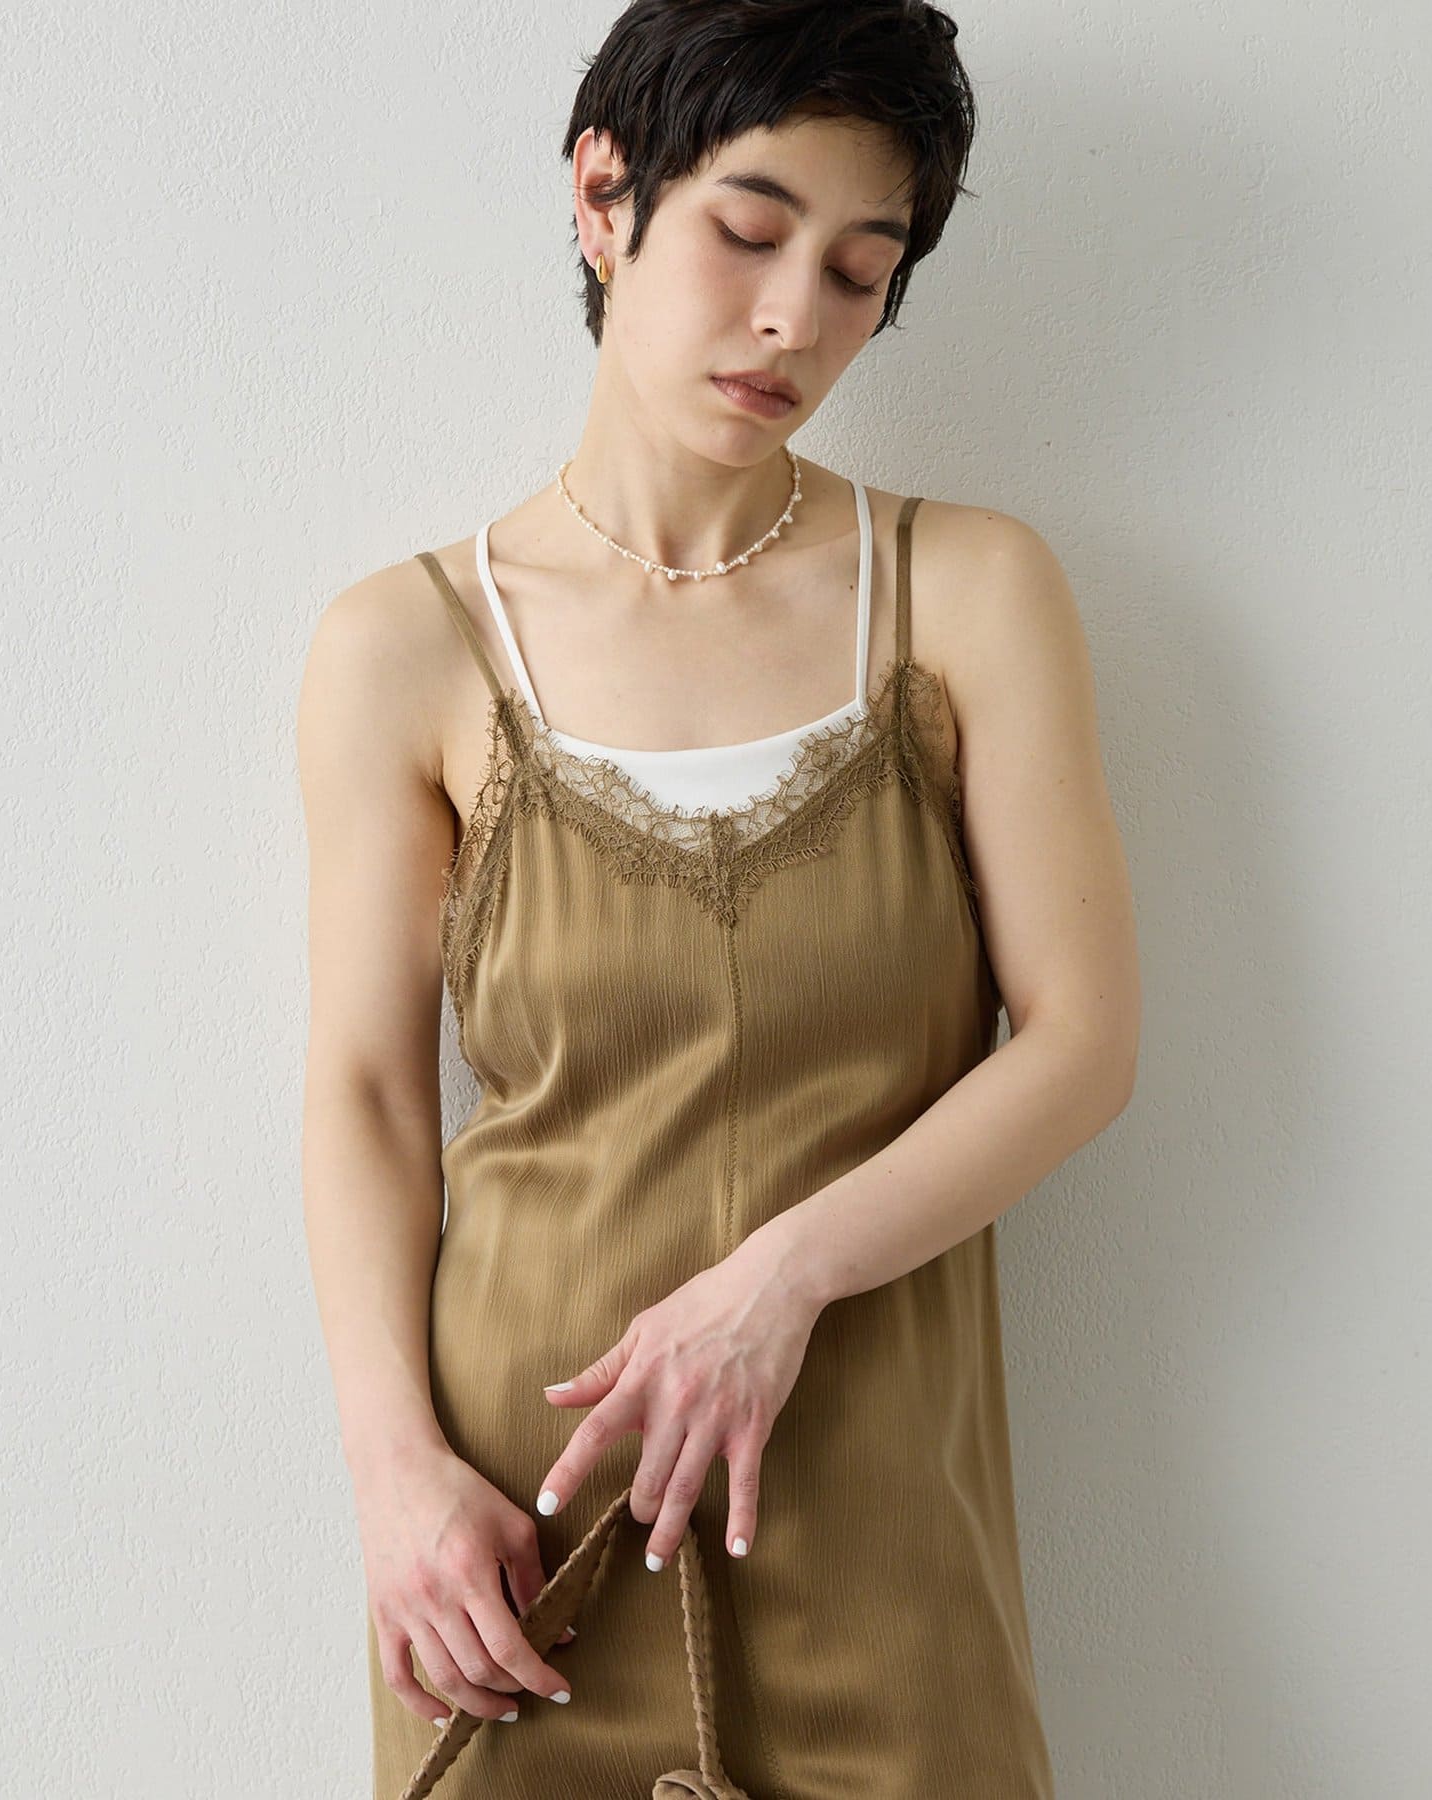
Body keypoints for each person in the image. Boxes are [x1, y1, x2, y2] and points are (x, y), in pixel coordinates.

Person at [296, 2, 1141, 1794]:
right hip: (515, 1552)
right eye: (749, 233)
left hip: (880, 1518)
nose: (792, 322)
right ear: (602, 197)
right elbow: (368, 1091)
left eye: (858, 272)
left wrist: (780, 1281)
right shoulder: (403, 648)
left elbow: (1081, 1041)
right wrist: (390, 1472)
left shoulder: (969, 592)